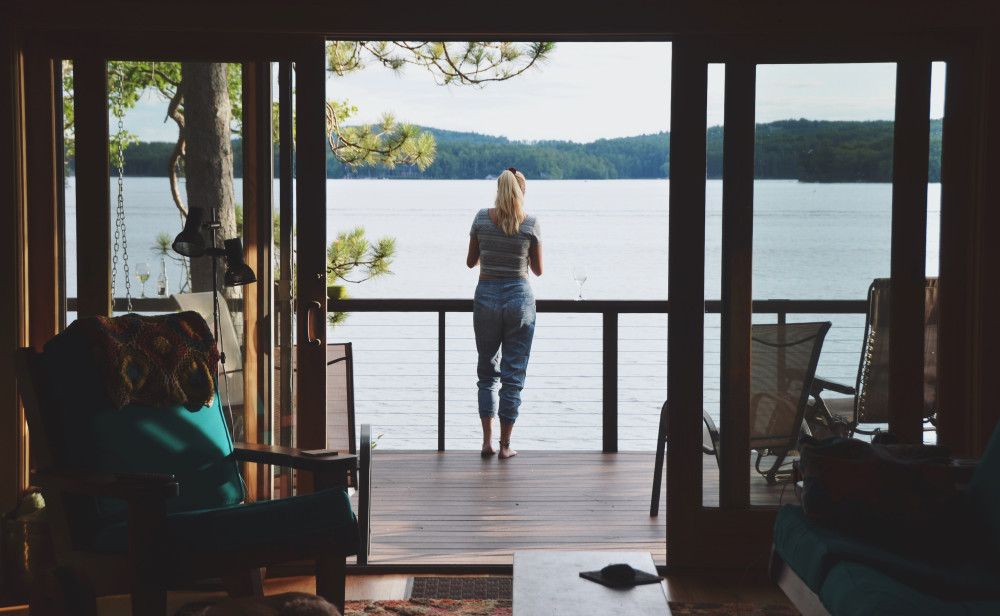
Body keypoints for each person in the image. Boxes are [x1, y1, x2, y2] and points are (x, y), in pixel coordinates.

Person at [467, 167, 543, 459]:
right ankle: (505, 446)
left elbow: (471, 261)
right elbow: (537, 270)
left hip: (486, 296)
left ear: (498, 190)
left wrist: (491, 251)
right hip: (519, 300)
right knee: (512, 376)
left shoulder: (481, 218)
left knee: (487, 373)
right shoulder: (531, 223)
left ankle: (486, 442)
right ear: (521, 191)